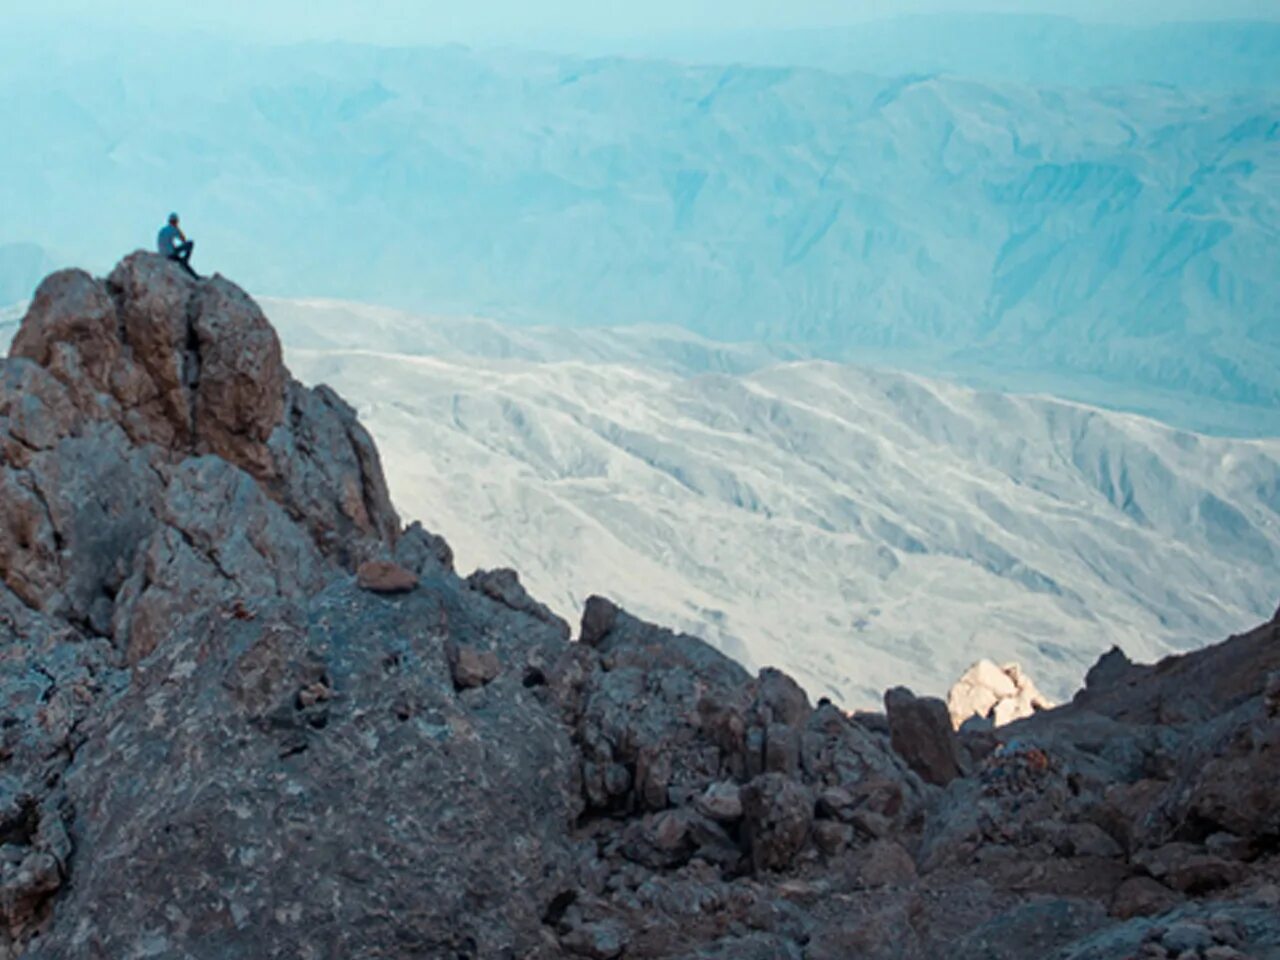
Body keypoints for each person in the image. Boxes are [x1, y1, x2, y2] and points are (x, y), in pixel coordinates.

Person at [157, 213, 200, 279]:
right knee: (190, 243)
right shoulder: (174, 229)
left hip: (162, 254)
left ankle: (185, 264)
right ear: (176, 221)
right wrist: (178, 228)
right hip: (171, 254)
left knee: (180, 261)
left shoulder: (163, 230)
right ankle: (185, 261)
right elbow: (183, 239)